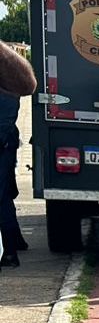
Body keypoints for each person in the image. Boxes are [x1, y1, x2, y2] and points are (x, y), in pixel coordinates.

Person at [1, 43, 36, 269]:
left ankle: (10, 251)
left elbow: (27, 86)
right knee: (4, 194)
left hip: (3, 139)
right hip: (6, 138)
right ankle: (13, 242)